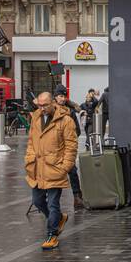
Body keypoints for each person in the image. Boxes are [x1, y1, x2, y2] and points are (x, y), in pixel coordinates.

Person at [25, 87, 79, 250]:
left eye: (45, 105)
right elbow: (31, 141)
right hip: (37, 167)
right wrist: (28, 158)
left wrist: (65, 167)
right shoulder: (35, 118)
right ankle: (58, 219)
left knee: (53, 204)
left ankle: (52, 234)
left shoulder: (65, 120)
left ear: (53, 103)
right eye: (39, 105)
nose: (41, 108)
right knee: (38, 201)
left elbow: (71, 145)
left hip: (55, 167)